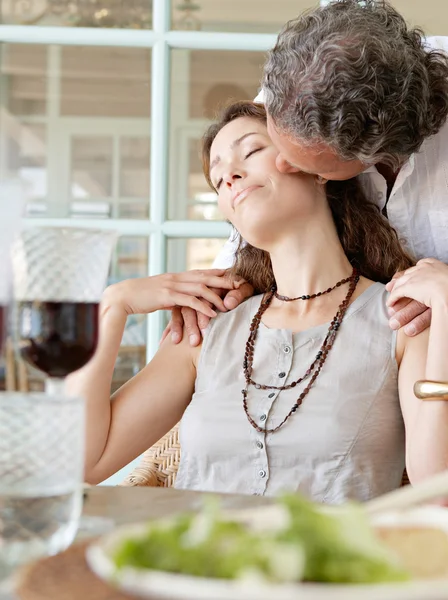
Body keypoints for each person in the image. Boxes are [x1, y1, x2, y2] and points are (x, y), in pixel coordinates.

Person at [70, 101, 448, 502]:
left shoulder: (402, 321)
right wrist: (113, 306)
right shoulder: (208, 328)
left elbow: (436, 488)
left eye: (250, 152)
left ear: (316, 166)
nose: (229, 176)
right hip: (189, 562)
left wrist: (445, 306)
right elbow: (83, 463)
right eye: (217, 180)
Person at [165, 0, 448, 348]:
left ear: (378, 154)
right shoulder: (292, 92)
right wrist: (214, 288)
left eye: (303, 163)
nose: (279, 164)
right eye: (269, 142)